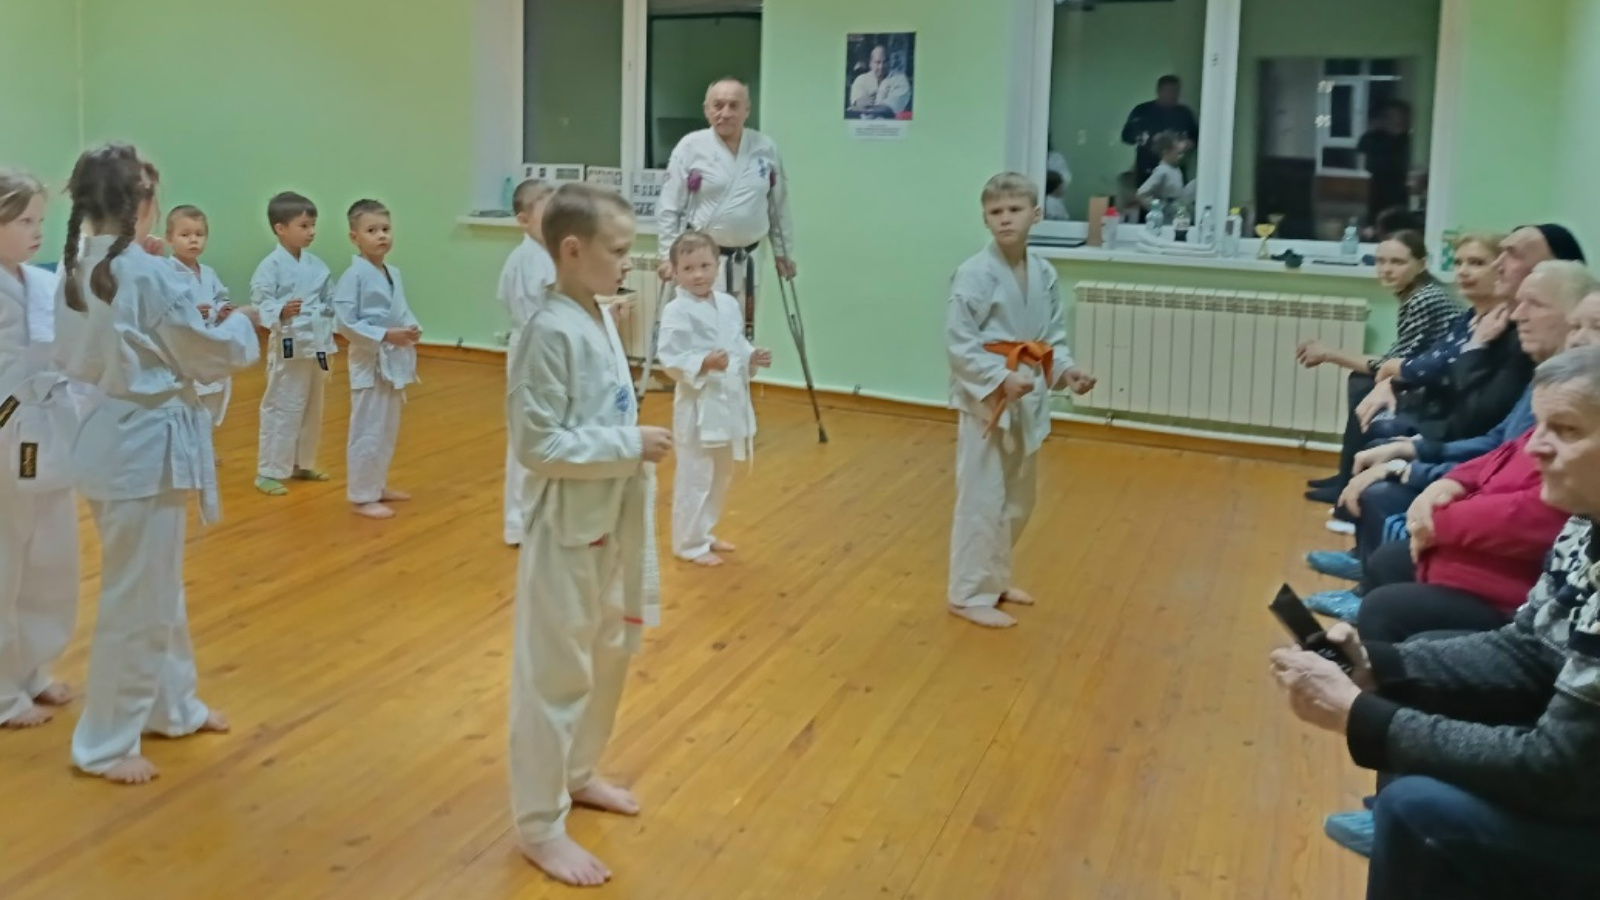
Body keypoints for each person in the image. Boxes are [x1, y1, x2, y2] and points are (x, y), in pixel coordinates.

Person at [1270, 346, 1600, 899]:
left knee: (1418, 807)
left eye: (1565, 430)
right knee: (1412, 701)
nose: (1534, 447)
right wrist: (1378, 666)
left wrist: (1362, 716)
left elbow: (1559, 770)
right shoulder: (1585, 523)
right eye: (1540, 424)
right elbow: (1528, 648)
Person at [52, 144, 262, 783]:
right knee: (136, 599)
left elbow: (85, 354)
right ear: (141, 204)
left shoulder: (79, 264)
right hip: (141, 446)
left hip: (111, 435)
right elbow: (209, 351)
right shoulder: (144, 273)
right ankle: (105, 744)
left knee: (155, 587)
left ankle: (172, 706)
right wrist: (241, 323)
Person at [506, 183, 673, 887]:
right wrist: (630, 443)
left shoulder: (596, 314)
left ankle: (577, 773)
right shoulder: (546, 331)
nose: (629, 262)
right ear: (572, 250)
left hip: (613, 512)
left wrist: (627, 450)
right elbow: (538, 444)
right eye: (619, 249)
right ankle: (538, 826)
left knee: (607, 656)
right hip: (568, 525)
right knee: (555, 674)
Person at [1326, 259, 1600, 580]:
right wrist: (1416, 454)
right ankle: (1363, 564)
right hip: (1473, 472)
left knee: (1384, 498)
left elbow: (1473, 413)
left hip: (1494, 503)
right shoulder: (1484, 329)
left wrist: (1416, 470)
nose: (1517, 314)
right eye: (1577, 327)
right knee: (1380, 431)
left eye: (1534, 304)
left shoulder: (1546, 373)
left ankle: (1368, 578)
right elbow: (1499, 441)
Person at [946, 173, 1096, 629]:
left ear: (1036, 214)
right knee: (982, 498)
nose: (1005, 219)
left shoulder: (1044, 272)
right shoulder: (974, 274)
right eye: (996, 212)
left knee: (1018, 499)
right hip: (987, 400)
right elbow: (959, 343)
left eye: (1014, 210)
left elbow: (1052, 337)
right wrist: (998, 378)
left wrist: (1067, 371)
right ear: (985, 219)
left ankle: (992, 580)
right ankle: (966, 593)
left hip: (1026, 390)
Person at [0, 168, 78, 729]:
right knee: (5, 557)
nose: (37, 232)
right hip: (5, 430)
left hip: (47, 431)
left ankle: (30, 667)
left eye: (40, 221)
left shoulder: (40, 282)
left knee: (50, 553)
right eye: (24, 221)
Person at [1300, 231, 1462, 500]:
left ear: (1421, 264)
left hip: (1443, 389)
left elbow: (1385, 366)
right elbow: (1395, 359)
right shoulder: (1418, 293)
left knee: (1363, 383)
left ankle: (1348, 479)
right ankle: (1346, 472)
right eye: (1381, 261)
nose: (1386, 269)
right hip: (1429, 375)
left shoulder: (1424, 299)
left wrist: (1328, 353)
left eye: (1397, 262)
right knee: (1361, 380)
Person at [656, 230, 772, 567]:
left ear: (717, 266)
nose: (698, 275)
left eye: (705, 266)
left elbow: (736, 343)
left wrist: (751, 356)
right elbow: (670, 356)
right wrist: (702, 363)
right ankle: (687, 543)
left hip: (728, 401)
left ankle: (704, 533)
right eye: (688, 268)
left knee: (721, 473)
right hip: (698, 403)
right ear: (675, 272)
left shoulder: (728, 304)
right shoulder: (677, 310)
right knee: (696, 475)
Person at [657, 78, 796, 341]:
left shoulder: (765, 147)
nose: (725, 112)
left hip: (750, 257)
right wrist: (666, 255)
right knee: (702, 334)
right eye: (718, 105)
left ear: (747, 110)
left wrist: (783, 252)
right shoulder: (690, 147)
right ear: (706, 109)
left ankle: (739, 369)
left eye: (734, 105)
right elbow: (670, 207)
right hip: (701, 260)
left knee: (741, 334)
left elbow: (778, 206)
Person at [334, 199, 421, 520]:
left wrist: (411, 328)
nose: (381, 235)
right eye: (371, 230)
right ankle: (361, 495)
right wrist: (384, 335)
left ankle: (377, 484)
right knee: (367, 428)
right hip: (369, 361)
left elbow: (402, 310)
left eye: (385, 229)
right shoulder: (352, 276)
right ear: (354, 237)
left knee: (386, 428)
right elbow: (345, 323)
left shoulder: (392, 273)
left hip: (394, 358)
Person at [252, 191, 335, 496]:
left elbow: (331, 299)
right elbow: (260, 303)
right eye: (304, 225)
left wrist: (326, 311)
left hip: (316, 342)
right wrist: (281, 310)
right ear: (280, 228)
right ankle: (269, 470)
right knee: (282, 405)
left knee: (312, 405)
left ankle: (302, 462)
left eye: (313, 225)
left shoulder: (317, 266)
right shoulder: (270, 266)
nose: (311, 232)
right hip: (289, 343)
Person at [498, 178, 557, 546]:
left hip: (551, 352)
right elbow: (528, 311)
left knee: (550, 433)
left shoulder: (550, 253)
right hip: (532, 352)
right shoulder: (523, 260)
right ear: (524, 219)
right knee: (527, 436)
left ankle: (543, 515)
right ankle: (518, 522)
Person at [165, 205, 234, 428]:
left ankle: (206, 441)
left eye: (199, 234)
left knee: (213, 399)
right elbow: (162, 310)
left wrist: (223, 309)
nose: (193, 240)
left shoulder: (209, 273)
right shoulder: (165, 273)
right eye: (185, 235)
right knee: (188, 402)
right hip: (184, 348)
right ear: (169, 238)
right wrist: (190, 313)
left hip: (211, 343)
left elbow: (220, 297)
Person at [1120, 75, 1199, 187]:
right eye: (1169, 91)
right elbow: (1126, 137)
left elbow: (1196, 138)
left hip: (1174, 173)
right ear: (1159, 91)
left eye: (1176, 91)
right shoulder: (1142, 111)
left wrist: (1187, 144)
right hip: (1147, 172)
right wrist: (1144, 138)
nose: (1173, 95)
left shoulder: (1184, 114)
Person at [1357, 101, 1413, 233]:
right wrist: (1373, 128)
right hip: (1378, 181)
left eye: (1397, 115)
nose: (1393, 119)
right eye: (1390, 116)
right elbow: (1361, 146)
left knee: (1397, 216)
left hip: (1399, 183)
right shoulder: (1377, 136)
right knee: (1376, 212)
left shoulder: (1406, 139)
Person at [847, 43, 912, 120]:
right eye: (877, 62)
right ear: (870, 63)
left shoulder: (900, 80)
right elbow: (856, 105)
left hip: (890, 125)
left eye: (885, 61)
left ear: (890, 62)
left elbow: (890, 109)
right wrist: (859, 104)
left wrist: (865, 106)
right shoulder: (861, 79)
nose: (881, 67)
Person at [1135, 133, 1195, 211]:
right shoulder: (1162, 171)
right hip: (1167, 214)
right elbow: (1141, 194)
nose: (1181, 157)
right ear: (1165, 152)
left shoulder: (1176, 170)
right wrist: (1158, 208)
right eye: (1178, 153)